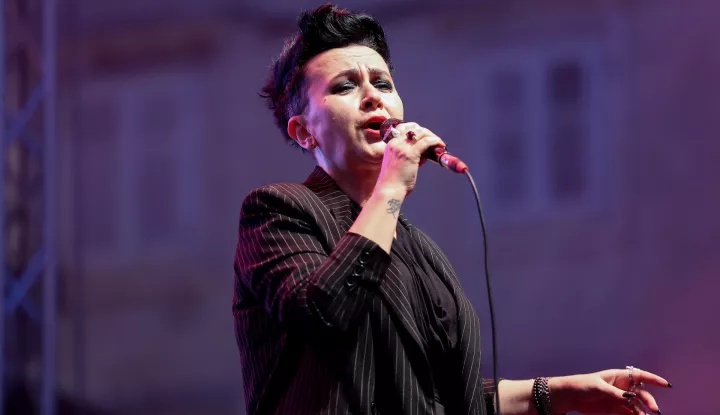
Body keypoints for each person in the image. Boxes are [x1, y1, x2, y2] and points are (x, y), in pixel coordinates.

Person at [233, 4, 670, 414]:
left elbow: (445, 397)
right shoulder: (278, 211)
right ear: (304, 131)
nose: (372, 97)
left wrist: (560, 391)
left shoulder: (420, 249)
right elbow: (320, 313)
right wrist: (392, 185)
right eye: (345, 86)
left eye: (382, 83)